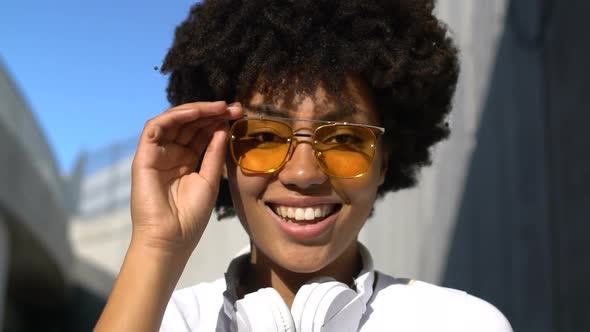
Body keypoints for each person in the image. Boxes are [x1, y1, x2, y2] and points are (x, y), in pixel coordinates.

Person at [95, 0, 513, 331]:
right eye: (263, 136)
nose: (302, 174)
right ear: (221, 155)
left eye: (345, 138)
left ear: (385, 161)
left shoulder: (460, 324)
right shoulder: (160, 323)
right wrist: (157, 245)